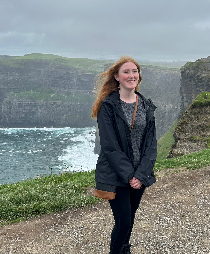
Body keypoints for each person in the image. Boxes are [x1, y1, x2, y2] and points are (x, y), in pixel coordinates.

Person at [91, 56, 157, 254]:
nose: (131, 75)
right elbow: (110, 146)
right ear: (117, 77)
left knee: (130, 218)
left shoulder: (146, 106)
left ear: (139, 76)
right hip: (117, 176)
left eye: (134, 71)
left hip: (139, 175)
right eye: (126, 72)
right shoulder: (109, 106)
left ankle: (124, 250)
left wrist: (141, 174)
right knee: (123, 222)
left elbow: (151, 145)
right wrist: (130, 176)